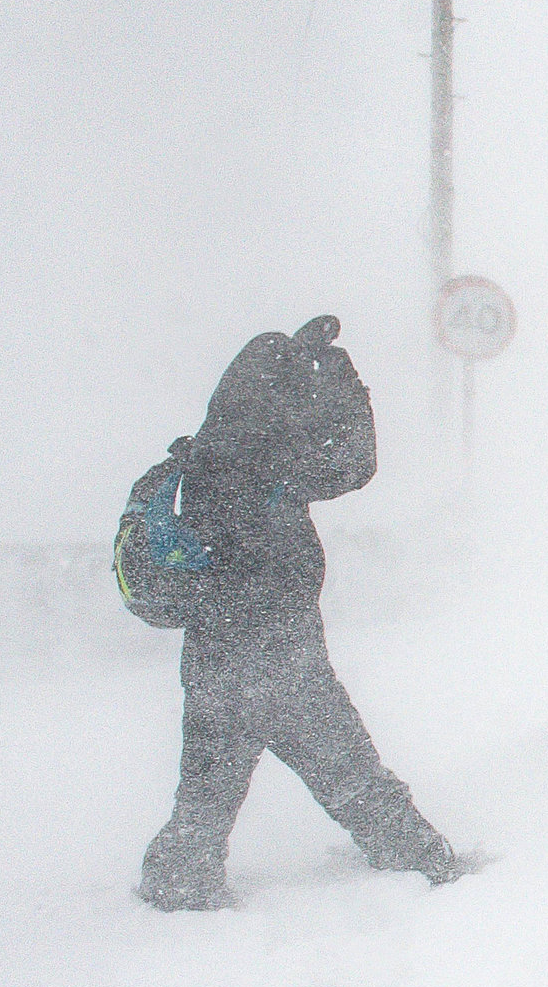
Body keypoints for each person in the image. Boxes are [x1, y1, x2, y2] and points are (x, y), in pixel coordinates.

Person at [138, 315, 461, 910]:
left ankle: (176, 896)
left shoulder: (209, 457)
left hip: (218, 660)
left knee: (205, 798)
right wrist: (346, 383)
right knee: (355, 779)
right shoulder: (267, 465)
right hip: (282, 658)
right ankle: (425, 869)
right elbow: (354, 464)